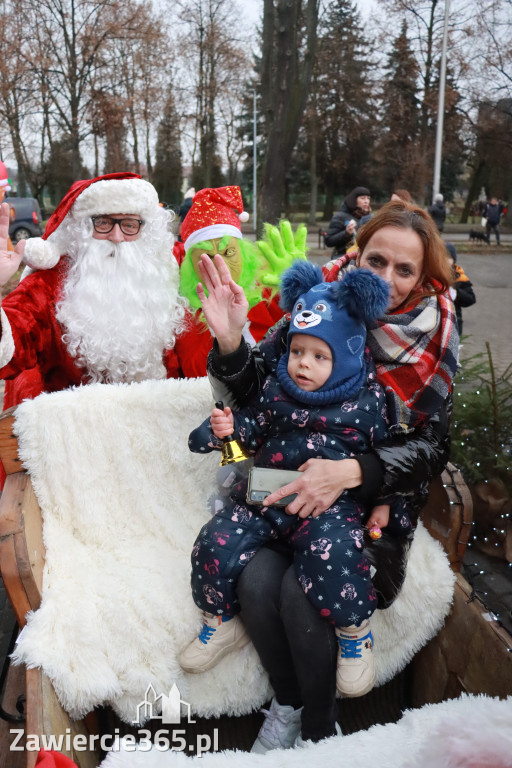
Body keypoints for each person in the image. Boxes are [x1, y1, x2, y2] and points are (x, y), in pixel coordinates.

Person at [193, 200, 458, 751]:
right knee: (255, 581)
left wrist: (351, 472)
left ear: (422, 277)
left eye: (404, 269)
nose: (386, 280)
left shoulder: (432, 336)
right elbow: (256, 395)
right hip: (282, 489)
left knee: (301, 594)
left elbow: (430, 449)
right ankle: (288, 705)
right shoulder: (318, 304)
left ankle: (320, 727)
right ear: (356, 256)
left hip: (370, 507)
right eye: (376, 261)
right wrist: (231, 341)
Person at [180, 264, 412, 700]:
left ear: (346, 358)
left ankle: (354, 632)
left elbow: (388, 458)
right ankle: (220, 620)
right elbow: (250, 426)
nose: (303, 363)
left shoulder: (368, 404)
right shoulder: (276, 389)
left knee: (336, 557)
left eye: (320, 356)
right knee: (215, 541)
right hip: (267, 494)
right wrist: (219, 431)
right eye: (298, 350)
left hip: (328, 508)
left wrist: (387, 505)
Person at [0, 172, 188, 409]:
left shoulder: (167, 272)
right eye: (104, 223)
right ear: (82, 228)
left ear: (145, 231)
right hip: (74, 423)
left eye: (130, 225)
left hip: (158, 417)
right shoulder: (48, 285)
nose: (117, 237)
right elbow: (12, 343)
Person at [174, 186, 307, 377]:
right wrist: (221, 337)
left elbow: (310, 338)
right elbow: (195, 376)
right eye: (206, 257)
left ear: (243, 253)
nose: (220, 265)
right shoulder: (185, 314)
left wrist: (301, 289)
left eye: (228, 252)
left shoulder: (267, 291)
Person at [324, 186, 371, 257]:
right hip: (343, 257)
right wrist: (346, 233)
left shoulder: (370, 218)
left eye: (368, 198)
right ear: (354, 200)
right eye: (362, 198)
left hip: (364, 257)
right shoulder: (340, 217)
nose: (366, 201)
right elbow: (329, 241)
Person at [445, 243, 476, 335]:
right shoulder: (432, 274)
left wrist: (457, 293)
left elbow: (471, 299)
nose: (444, 260)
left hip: (455, 323)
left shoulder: (460, 278)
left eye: (448, 257)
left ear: (453, 260)